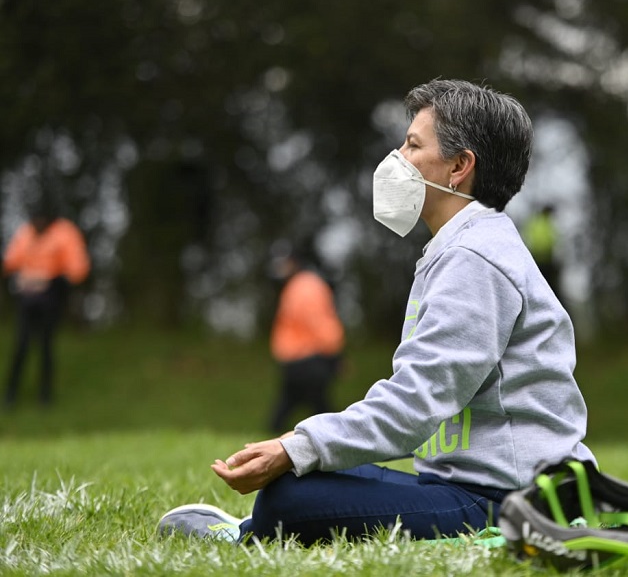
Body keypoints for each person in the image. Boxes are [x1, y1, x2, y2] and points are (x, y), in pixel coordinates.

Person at [158, 79, 596, 546]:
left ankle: (243, 534)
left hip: (509, 501)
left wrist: (297, 445)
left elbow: (416, 403)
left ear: (459, 166)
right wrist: (308, 452)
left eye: (412, 144)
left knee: (288, 498)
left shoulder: (476, 258)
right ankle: (256, 524)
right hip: (465, 486)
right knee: (307, 478)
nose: (397, 158)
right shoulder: (463, 248)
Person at [2, 200, 90, 407]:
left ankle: (45, 396)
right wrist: (21, 277)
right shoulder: (25, 233)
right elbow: (11, 261)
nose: (37, 223)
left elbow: (78, 269)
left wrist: (51, 279)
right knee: (21, 344)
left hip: (51, 296)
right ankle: (10, 394)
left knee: (46, 346)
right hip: (27, 297)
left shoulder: (65, 232)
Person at [267, 250, 345, 434]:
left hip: (307, 357)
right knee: (317, 407)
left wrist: (333, 355)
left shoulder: (304, 287)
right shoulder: (303, 285)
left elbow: (317, 322)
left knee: (305, 405)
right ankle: (330, 439)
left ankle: (273, 438)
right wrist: (336, 354)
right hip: (304, 358)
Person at [524, 204, 561, 296]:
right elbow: (550, 242)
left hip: (537, 260)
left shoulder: (535, 223)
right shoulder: (546, 224)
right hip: (544, 260)